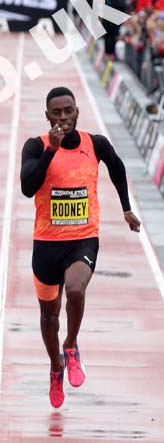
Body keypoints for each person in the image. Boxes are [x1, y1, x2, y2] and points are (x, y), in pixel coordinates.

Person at [20, 87, 141, 409]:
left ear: (77, 111)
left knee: (75, 290)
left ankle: (71, 346)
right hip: (46, 243)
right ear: (47, 116)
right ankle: (55, 367)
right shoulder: (36, 146)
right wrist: (51, 152)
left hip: (83, 238)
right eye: (56, 113)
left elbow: (117, 167)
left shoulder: (95, 143)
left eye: (68, 111)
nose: (63, 118)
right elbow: (27, 188)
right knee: (48, 317)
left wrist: (126, 208)